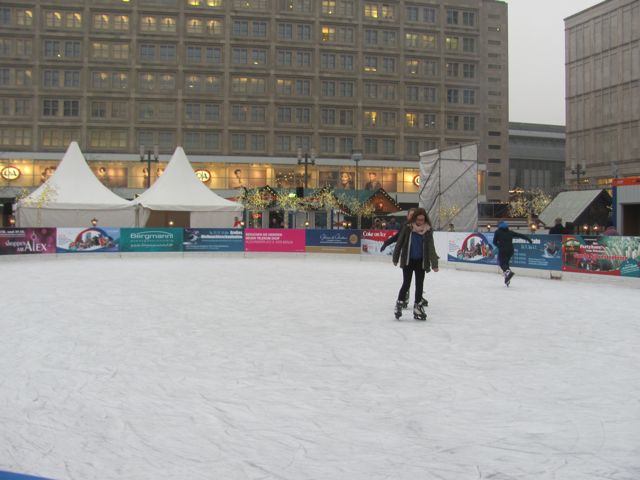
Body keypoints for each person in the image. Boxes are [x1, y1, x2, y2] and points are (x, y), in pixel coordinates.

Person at [391, 208, 439, 320]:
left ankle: (417, 306)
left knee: (419, 285)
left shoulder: (427, 230)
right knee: (406, 284)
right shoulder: (408, 228)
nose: (420, 222)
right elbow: (400, 242)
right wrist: (395, 257)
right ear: (414, 219)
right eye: (418, 219)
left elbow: (431, 247)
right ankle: (399, 304)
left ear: (425, 219)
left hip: (421, 262)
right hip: (408, 261)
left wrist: (434, 263)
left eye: (422, 220)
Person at [492, 221, 533, 286]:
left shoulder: (497, 232)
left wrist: (499, 245)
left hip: (503, 250)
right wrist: (528, 239)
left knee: (502, 263)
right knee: (506, 263)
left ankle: (508, 272)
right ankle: (507, 279)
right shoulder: (510, 232)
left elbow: (494, 242)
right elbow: (519, 235)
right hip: (510, 250)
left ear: (499, 226)